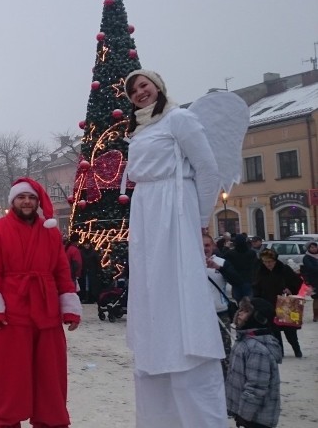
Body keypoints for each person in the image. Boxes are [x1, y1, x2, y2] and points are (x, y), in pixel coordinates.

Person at [123, 70, 229, 427]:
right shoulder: (137, 131)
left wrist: (195, 222)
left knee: (177, 280)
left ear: (158, 86)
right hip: (147, 213)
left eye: (144, 85)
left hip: (174, 207)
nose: (139, 92)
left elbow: (208, 169)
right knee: (151, 285)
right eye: (133, 90)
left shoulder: (180, 119)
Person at [0, 178, 80, 428]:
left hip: (46, 312)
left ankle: (51, 421)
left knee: (50, 379)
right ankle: (6, 422)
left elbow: (61, 270)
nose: (27, 202)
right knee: (10, 377)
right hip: (11, 314)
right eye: (22, 197)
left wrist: (68, 304)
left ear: (37, 202)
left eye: (31, 198)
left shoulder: (50, 232)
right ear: (12, 201)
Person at [225, 297, 282, 428]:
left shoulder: (257, 349)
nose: (239, 313)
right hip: (248, 415)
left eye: (245, 311)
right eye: (240, 310)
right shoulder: (244, 341)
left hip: (258, 418)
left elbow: (256, 387)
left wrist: (244, 414)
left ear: (257, 317)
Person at [253, 249, 302, 358]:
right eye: (265, 262)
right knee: (274, 331)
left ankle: (297, 349)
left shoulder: (284, 269)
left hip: (285, 303)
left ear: (275, 260)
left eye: (270, 261)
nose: (268, 264)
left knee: (290, 330)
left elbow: (297, 282)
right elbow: (256, 287)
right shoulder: (260, 271)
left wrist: (290, 290)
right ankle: (280, 352)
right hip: (268, 304)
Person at [203, 234, 241, 378]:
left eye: (207, 245)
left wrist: (220, 268)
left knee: (225, 353)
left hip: (220, 313)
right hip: (198, 316)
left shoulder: (222, 262)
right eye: (201, 245)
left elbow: (237, 281)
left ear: (212, 246)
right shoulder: (188, 263)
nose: (204, 248)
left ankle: (228, 383)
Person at [225, 234, 259, 302]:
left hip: (236, 281)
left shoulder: (230, 254)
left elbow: (225, 264)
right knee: (249, 303)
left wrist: (226, 248)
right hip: (248, 280)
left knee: (238, 301)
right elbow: (257, 266)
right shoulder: (252, 253)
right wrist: (255, 279)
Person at [301, 241, 318, 322]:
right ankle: (316, 316)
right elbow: (310, 268)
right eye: (312, 247)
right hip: (314, 280)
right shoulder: (306, 257)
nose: (314, 248)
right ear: (308, 248)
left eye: (315, 247)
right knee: (316, 298)